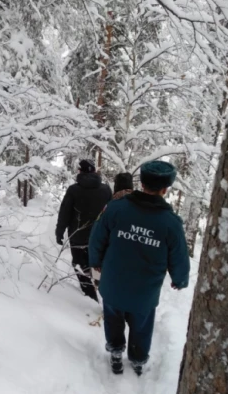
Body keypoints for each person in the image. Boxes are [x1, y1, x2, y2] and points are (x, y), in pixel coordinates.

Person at [89, 160, 189, 375]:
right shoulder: (171, 223)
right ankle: (138, 359)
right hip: (145, 290)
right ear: (165, 189)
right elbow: (179, 255)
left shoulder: (116, 209)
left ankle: (115, 352)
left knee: (113, 320)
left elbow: (96, 239)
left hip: (113, 282)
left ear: (141, 183)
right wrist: (179, 279)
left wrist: (95, 261)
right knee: (141, 326)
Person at [56, 159, 112, 301]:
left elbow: (65, 213)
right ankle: (100, 290)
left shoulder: (74, 190)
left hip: (78, 236)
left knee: (80, 264)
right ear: (94, 171)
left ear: (80, 171)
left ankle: (89, 295)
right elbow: (111, 213)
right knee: (96, 265)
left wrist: (59, 231)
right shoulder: (106, 189)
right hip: (100, 237)